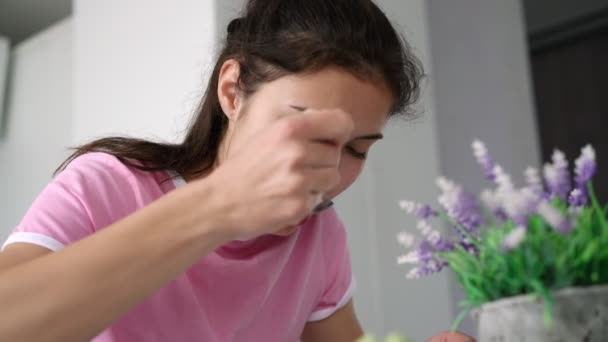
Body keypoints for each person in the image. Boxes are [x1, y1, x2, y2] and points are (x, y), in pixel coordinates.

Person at [0, 0, 475, 341]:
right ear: (232, 91)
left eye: (357, 150)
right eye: (307, 132)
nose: (327, 175)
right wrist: (220, 207)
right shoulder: (106, 184)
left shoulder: (320, 237)